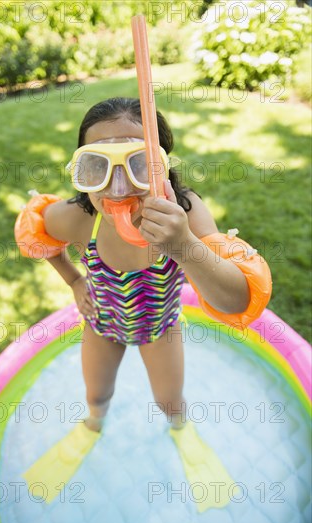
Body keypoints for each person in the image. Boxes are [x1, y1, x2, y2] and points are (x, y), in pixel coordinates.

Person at [41, 97, 250, 434]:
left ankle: (180, 430)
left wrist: (184, 245)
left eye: (138, 164)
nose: (119, 187)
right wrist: (74, 281)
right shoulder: (79, 218)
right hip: (103, 323)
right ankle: (94, 426)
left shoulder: (186, 214)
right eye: (99, 165)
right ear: (82, 169)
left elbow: (236, 300)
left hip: (160, 328)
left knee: (170, 401)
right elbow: (37, 236)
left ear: (163, 168)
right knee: (97, 394)